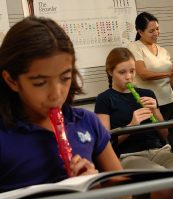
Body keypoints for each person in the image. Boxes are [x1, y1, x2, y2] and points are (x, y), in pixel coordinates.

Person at [0, 16, 123, 192]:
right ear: (11, 80)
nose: (56, 94)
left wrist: (94, 187)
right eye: (40, 82)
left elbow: (124, 194)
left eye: (65, 78)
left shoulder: (87, 122)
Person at [94, 47, 173, 199]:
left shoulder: (147, 94)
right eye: (122, 72)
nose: (129, 77)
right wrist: (131, 125)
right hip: (128, 156)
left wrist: (155, 112)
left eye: (132, 71)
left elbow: (164, 134)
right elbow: (104, 143)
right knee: (163, 183)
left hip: (159, 151)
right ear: (110, 72)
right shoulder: (105, 99)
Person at [127, 12, 173, 154]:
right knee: (156, 145)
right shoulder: (134, 47)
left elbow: (168, 82)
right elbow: (143, 74)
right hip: (149, 104)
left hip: (168, 101)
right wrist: (168, 72)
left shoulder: (163, 51)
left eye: (157, 29)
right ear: (140, 32)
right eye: (151, 31)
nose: (156, 33)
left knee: (172, 143)